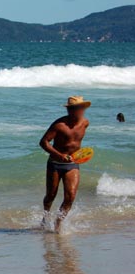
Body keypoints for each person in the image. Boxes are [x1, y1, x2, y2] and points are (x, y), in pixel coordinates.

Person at [39, 95, 91, 232]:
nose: (74, 111)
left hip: (73, 164)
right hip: (55, 163)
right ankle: (45, 217)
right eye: (71, 109)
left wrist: (81, 155)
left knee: (70, 196)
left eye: (78, 108)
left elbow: (75, 142)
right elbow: (43, 142)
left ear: (83, 108)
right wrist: (59, 155)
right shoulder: (59, 125)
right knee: (51, 195)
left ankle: (58, 224)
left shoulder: (85, 123)